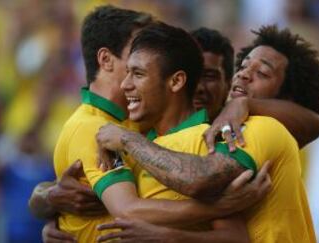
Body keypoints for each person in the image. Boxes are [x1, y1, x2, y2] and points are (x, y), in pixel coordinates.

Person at [30, 6, 269, 243]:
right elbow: (127, 209)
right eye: (136, 49)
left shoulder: (139, 127)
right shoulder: (96, 130)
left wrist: (240, 105)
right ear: (105, 59)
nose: (143, 54)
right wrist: (219, 206)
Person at [95, 25, 319, 242]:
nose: (244, 74)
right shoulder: (204, 131)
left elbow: (199, 180)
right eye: (244, 66)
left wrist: (127, 139)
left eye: (263, 73)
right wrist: (57, 200)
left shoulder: (263, 127)